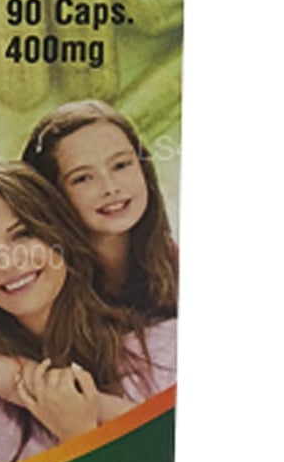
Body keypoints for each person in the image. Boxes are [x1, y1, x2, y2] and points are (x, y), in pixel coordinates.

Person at [0, 163, 177, 462]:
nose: (7, 263)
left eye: (22, 235)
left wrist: (75, 423)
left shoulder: (164, 347)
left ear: (60, 234)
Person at [21, 99, 179, 316]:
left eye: (121, 165)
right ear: (51, 193)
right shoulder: (37, 287)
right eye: (83, 178)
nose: (110, 188)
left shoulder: (174, 263)